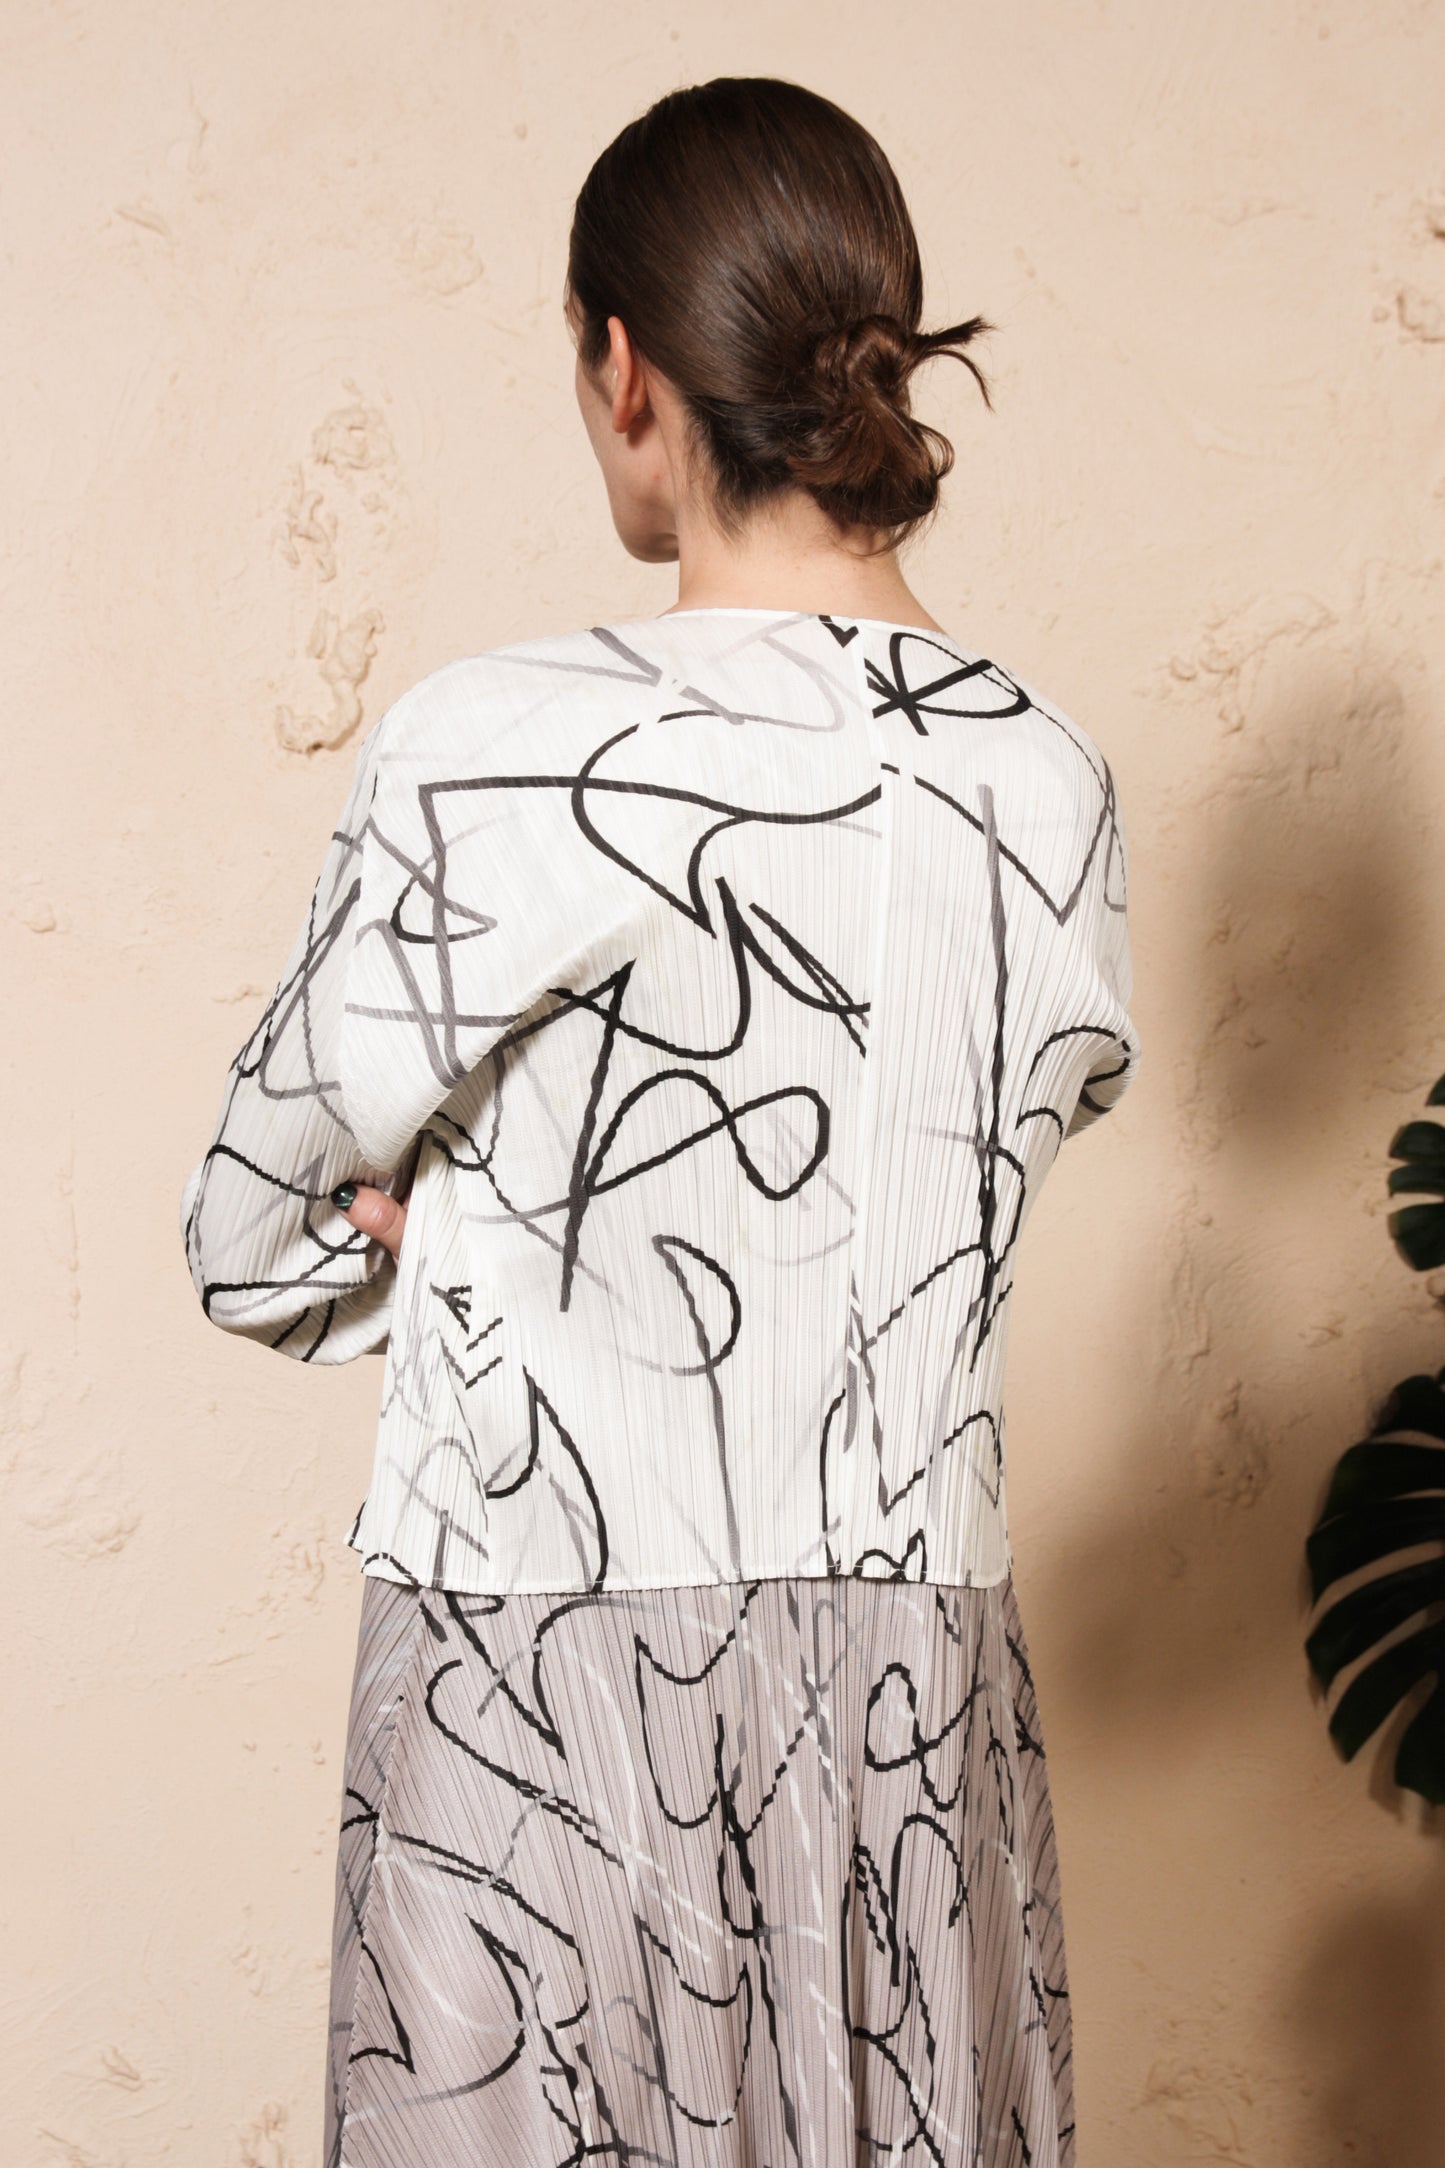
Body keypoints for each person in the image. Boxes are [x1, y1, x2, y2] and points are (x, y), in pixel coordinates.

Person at [179, 74, 1140, 2168]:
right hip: (907, 1717)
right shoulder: (1050, 788)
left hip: (531, 1702)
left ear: (627, 372)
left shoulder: (494, 750)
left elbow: (243, 1235)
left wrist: (451, 1224)